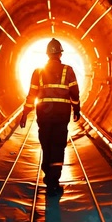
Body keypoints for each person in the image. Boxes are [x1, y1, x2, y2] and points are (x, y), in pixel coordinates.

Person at [19, 38, 81, 196]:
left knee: (46, 145)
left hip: (44, 115)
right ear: (60, 54)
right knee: (58, 147)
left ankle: (48, 177)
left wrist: (25, 114)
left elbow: (31, 95)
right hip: (61, 115)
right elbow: (74, 93)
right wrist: (76, 109)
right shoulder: (68, 70)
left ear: (47, 54)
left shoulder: (38, 72)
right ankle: (54, 181)